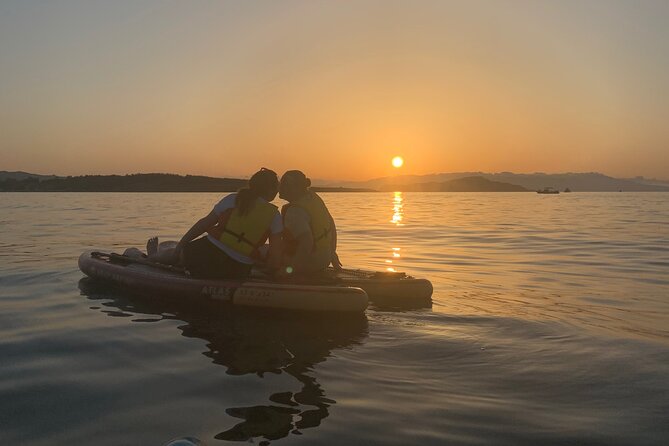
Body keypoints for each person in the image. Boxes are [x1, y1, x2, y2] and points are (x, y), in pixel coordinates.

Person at [127, 168, 283, 279]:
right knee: (181, 256)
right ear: (269, 190)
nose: (277, 191)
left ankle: (155, 257)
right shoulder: (275, 216)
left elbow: (202, 225)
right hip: (237, 269)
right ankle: (157, 256)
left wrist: (182, 245)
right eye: (276, 187)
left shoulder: (233, 199)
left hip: (205, 255)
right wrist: (272, 271)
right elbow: (276, 256)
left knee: (177, 256)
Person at [278, 170, 341, 275]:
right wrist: (332, 253)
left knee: (265, 251)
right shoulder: (313, 197)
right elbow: (331, 223)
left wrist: (292, 270)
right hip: (325, 258)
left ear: (295, 188)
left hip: (308, 261)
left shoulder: (295, 211)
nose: (280, 187)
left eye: (284, 184)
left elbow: (306, 242)